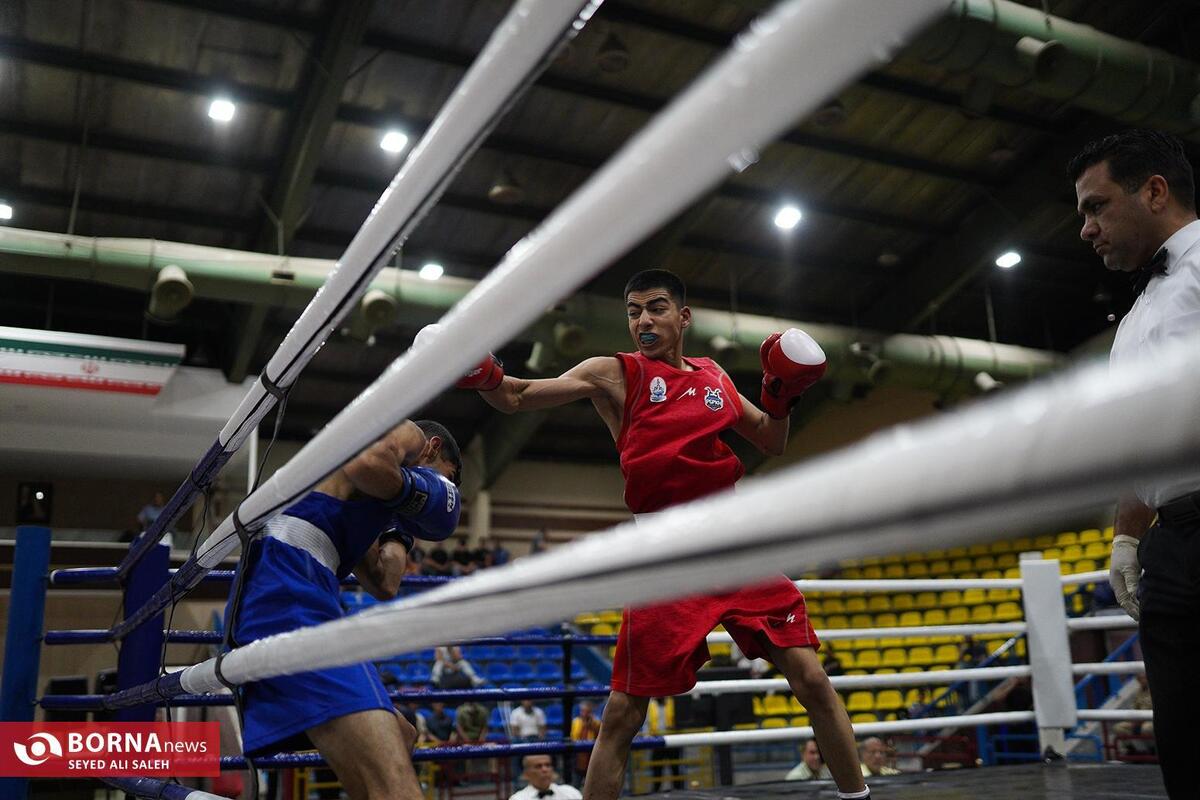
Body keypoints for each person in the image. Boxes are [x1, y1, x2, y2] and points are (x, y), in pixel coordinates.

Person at [454, 269, 868, 800]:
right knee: (624, 714)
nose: (643, 320)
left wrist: (780, 396)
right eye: (633, 311)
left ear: (683, 316)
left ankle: (859, 796)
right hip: (664, 554)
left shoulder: (714, 376)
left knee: (811, 678)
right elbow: (516, 396)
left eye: (655, 308)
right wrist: (484, 371)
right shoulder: (615, 373)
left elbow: (771, 439)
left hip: (733, 543)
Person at [226, 419, 462, 800]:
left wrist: (401, 526)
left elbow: (384, 583)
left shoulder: (367, 506)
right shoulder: (408, 433)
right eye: (445, 479)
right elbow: (365, 462)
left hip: (301, 595)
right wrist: (418, 494)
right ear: (433, 449)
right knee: (392, 781)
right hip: (287, 594)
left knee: (403, 735)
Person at [1070, 128, 1200, 800]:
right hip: (1173, 544)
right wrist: (1126, 535)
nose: (1087, 229)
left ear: (1154, 191)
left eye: (1097, 206)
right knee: (1182, 733)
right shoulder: (1133, 319)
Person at [644, 696, 683, 792]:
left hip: (672, 739)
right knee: (657, 768)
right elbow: (647, 722)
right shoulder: (650, 704)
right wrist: (647, 737)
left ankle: (679, 789)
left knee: (675, 767)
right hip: (656, 741)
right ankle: (655, 790)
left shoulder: (672, 701)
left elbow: (678, 719)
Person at [508, 755, 582, 800]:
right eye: (538, 766)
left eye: (548, 765)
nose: (545, 769)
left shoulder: (570, 792)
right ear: (526, 773)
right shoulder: (518, 798)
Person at [569, 701, 602, 776]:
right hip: (578, 753)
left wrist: (591, 724)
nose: (584, 714)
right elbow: (573, 737)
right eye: (583, 711)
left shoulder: (596, 722)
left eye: (587, 712)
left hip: (592, 752)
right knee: (577, 777)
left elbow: (599, 735)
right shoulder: (576, 721)